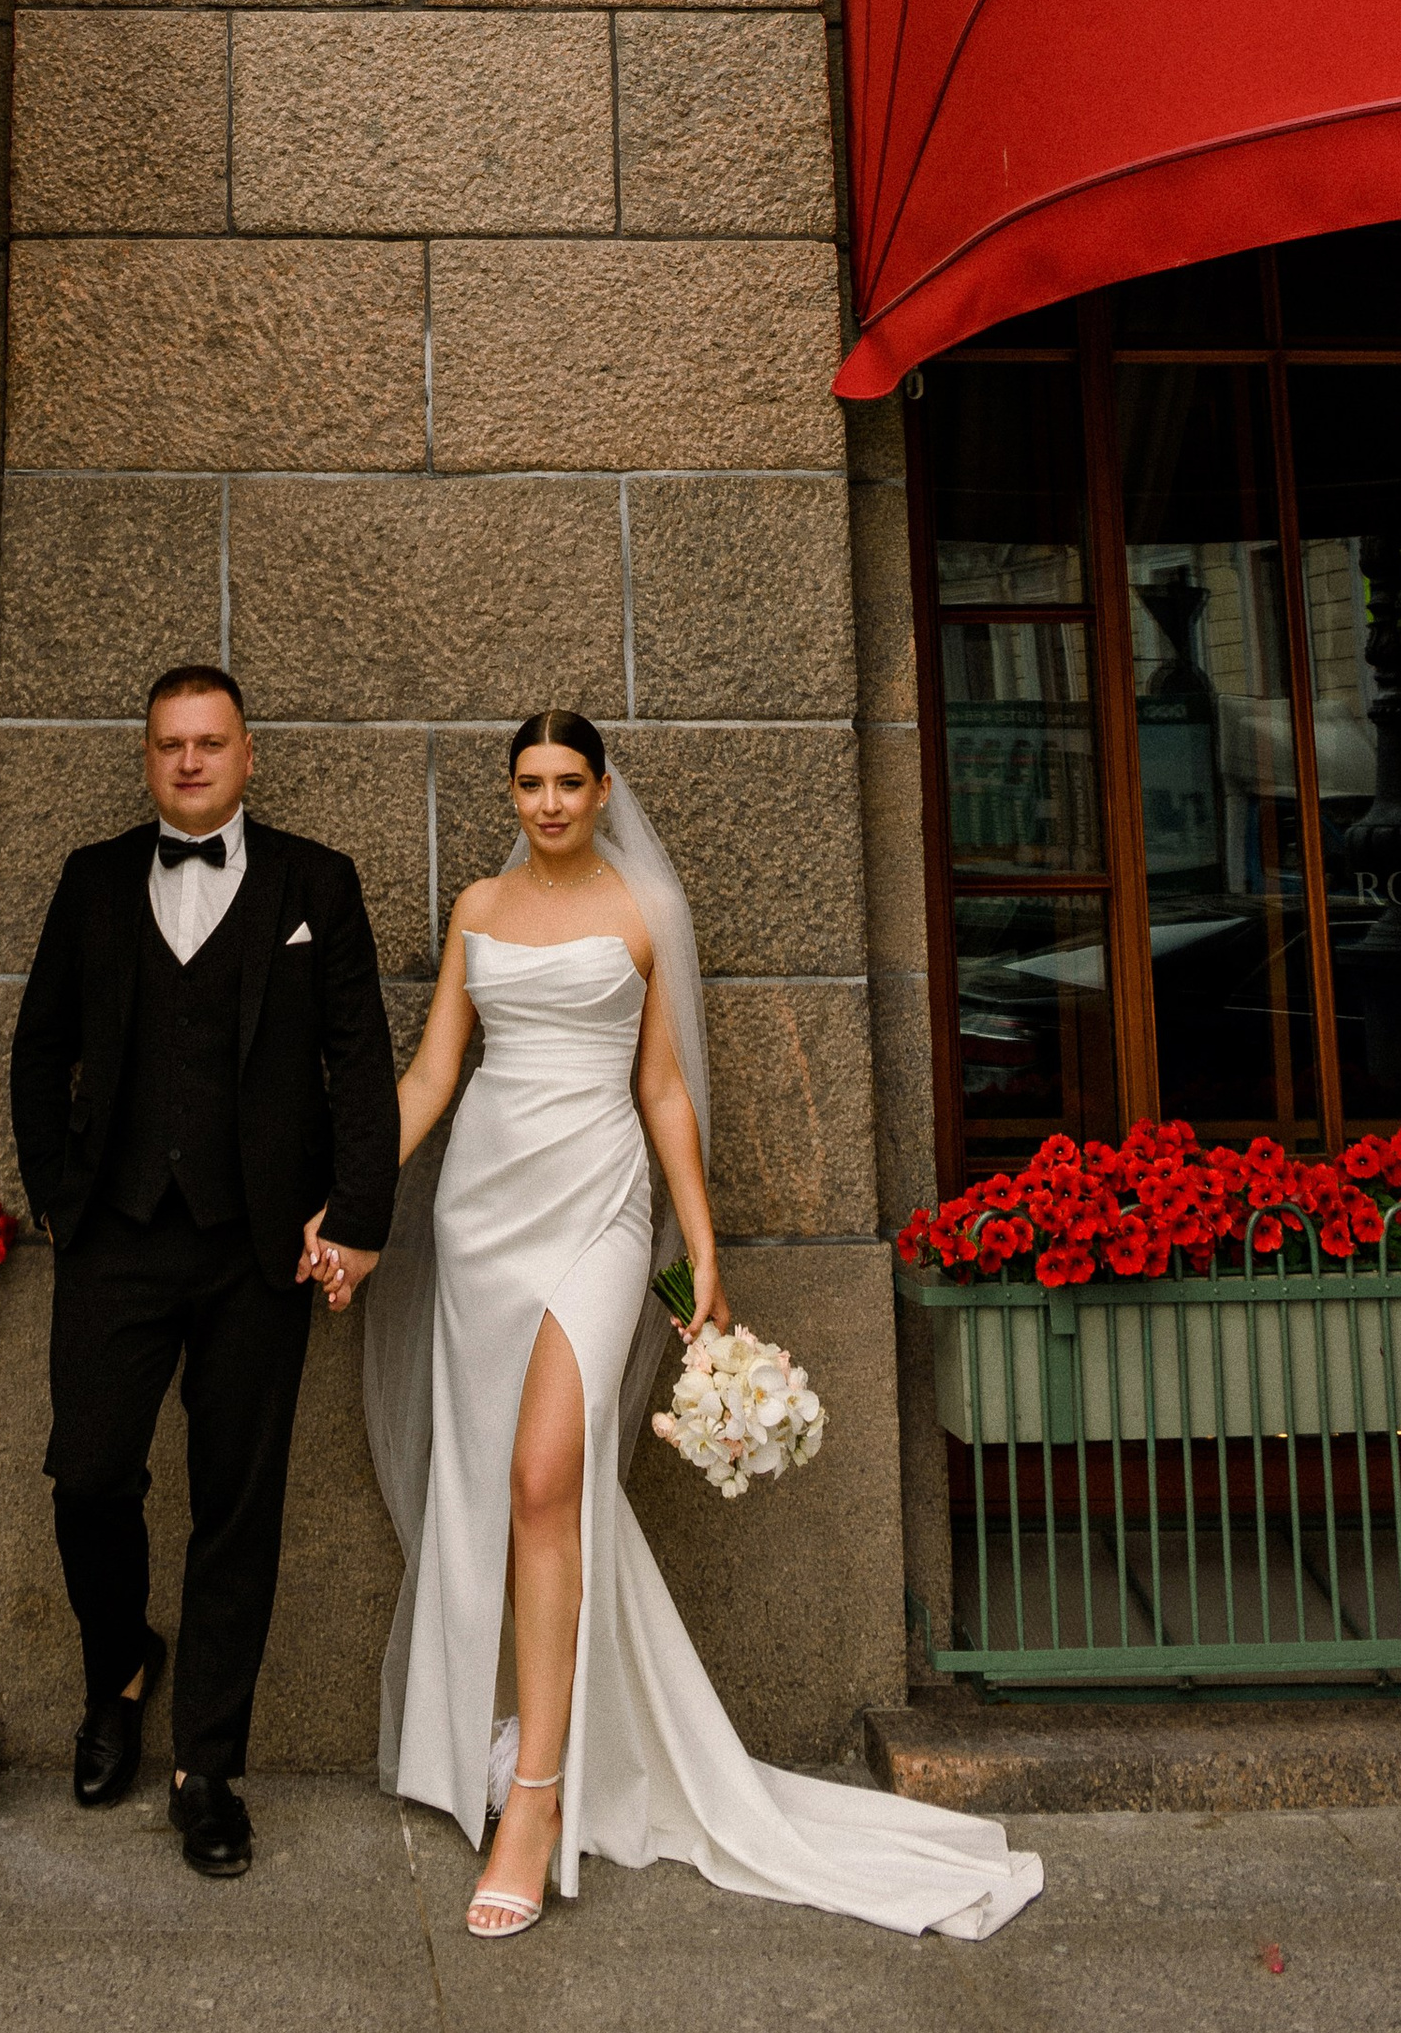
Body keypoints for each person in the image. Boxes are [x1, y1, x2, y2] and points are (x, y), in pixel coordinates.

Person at [353, 710, 1042, 1943]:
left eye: (570, 781)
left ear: (602, 788)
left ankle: (536, 1797)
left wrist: (702, 1246)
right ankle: (509, 1729)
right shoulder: (477, 907)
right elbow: (431, 1076)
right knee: (493, 1483)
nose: (549, 801)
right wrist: (351, 1201)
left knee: (544, 1476)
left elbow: (663, 1086)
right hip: (480, 1212)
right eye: (530, 782)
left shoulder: (644, 908)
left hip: (598, 1210)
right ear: (509, 791)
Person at [10, 663, 397, 1878]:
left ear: (246, 755)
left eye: (210, 742)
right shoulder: (89, 880)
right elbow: (38, 1050)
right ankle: (120, 1663)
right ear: (147, 757)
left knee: (238, 1503)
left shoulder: (316, 883)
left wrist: (358, 1217)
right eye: (170, 743)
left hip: (256, 1244)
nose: (189, 760)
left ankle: (206, 1767)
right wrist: (63, 1200)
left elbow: (359, 1062)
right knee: (87, 1475)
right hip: (115, 1237)